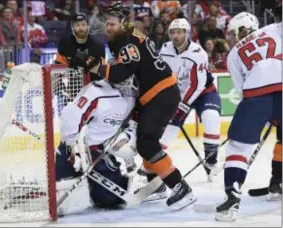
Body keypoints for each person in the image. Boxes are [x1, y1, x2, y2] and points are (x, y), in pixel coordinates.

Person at [102, 3, 196, 211]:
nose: (107, 27)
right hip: (156, 93)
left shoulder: (124, 41)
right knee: (143, 138)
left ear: (123, 23)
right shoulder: (130, 35)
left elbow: (122, 74)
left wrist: (94, 66)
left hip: (160, 94)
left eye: (112, 24)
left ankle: (179, 186)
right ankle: (157, 185)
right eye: (106, 23)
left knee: (146, 143)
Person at [214, 12, 282, 221]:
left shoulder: (234, 53)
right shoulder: (274, 28)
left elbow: (241, 89)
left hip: (255, 95)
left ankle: (232, 198)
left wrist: (264, 111)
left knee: (238, 148)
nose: (235, 36)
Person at [56, 77, 136, 211]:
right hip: (76, 148)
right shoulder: (97, 92)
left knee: (112, 201)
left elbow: (133, 124)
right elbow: (70, 115)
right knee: (58, 190)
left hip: (101, 150)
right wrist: (72, 146)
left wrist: (127, 141)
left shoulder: (133, 95)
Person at [160, 18, 221, 182]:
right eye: (172, 32)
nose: (175, 36)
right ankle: (153, 164)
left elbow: (197, 86)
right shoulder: (165, 49)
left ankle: (211, 161)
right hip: (178, 95)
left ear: (187, 34)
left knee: (211, 117)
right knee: (167, 130)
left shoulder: (198, 53)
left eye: (179, 32)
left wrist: (182, 106)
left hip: (203, 92)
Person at [55, 12, 106, 82]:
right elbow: (58, 70)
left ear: (88, 26)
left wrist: (88, 62)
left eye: (83, 24)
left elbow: (102, 72)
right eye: (77, 25)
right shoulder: (64, 44)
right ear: (72, 27)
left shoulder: (98, 44)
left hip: (93, 85)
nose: (81, 28)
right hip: (71, 84)